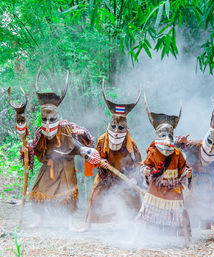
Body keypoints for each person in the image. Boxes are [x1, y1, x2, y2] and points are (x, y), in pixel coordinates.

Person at [21, 67, 101, 230]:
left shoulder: (66, 128)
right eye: (45, 119)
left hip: (65, 167)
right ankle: (39, 219)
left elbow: (76, 144)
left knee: (68, 195)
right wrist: (27, 151)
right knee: (39, 192)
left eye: (52, 119)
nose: (48, 123)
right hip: (48, 166)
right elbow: (33, 148)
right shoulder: (40, 133)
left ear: (58, 116)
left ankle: (69, 222)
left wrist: (85, 151)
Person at [175, 87, 214, 230]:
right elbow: (174, 147)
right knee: (187, 198)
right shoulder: (193, 146)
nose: (210, 148)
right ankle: (183, 224)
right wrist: (180, 141)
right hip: (193, 183)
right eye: (209, 143)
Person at [84, 80, 142, 226]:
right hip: (105, 177)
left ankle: (135, 226)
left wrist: (135, 177)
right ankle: (88, 224)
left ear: (126, 128)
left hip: (124, 179)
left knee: (134, 199)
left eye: (120, 128)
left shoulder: (131, 143)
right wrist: (99, 161)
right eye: (113, 127)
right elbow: (95, 157)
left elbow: (138, 163)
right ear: (108, 125)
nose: (116, 132)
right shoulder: (102, 139)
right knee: (95, 196)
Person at [137, 94, 192, 247]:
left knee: (180, 214)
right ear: (157, 136)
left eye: (170, 135)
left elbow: (184, 169)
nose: (167, 138)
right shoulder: (153, 152)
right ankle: (136, 238)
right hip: (156, 187)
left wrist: (187, 174)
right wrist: (145, 171)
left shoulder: (177, 153)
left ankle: (187, 241)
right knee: (145, 212)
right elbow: (144, 166)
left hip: (173, 188)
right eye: (163, 135)